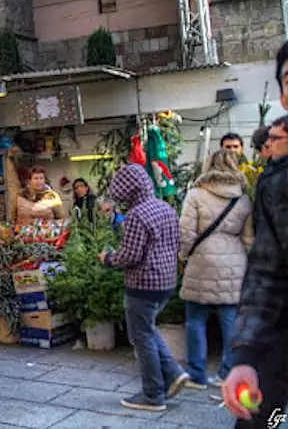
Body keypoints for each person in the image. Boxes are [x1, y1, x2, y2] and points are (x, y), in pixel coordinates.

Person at [98, 164, 189, 411]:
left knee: (141, 338)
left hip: (143, 283)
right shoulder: (165, 208)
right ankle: (173, 373)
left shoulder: (137, 215)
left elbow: (130, 256)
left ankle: (152, 394)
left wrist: (108, 258)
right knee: (147, 330)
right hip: (166, 282)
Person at [222, 117, 288, 424]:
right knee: (266, 413)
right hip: (275, 325)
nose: (269, 145)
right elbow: (267, 258)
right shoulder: (270, 180)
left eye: (275, 138)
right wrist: (245, 355)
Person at [177, 150, 253, 391]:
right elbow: (248, 239)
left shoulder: (196, 194)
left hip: (202, 260)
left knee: (195, 320)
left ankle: (197, 375)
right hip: (235, 262)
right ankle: (227, 372)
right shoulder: (243, 199)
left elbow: (186, 232)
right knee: (230, 320)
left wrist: (184, 255)